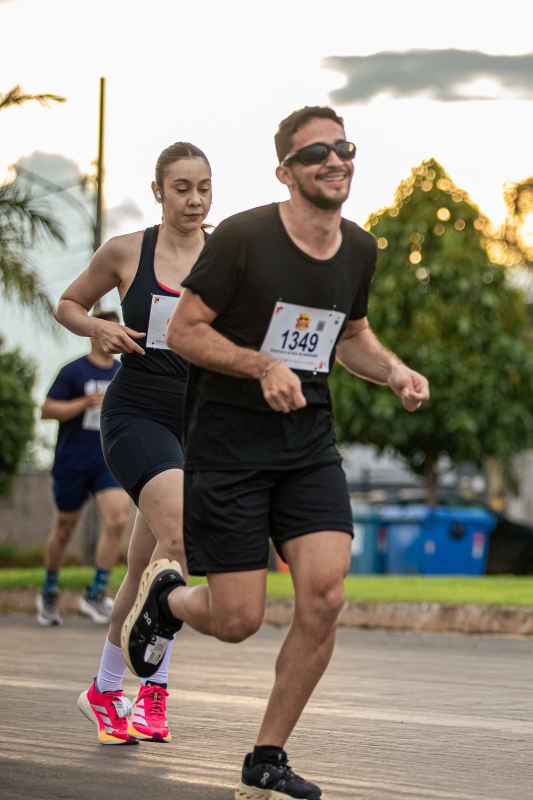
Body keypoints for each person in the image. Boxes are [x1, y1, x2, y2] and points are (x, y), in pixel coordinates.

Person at [119, 106, 429, 800]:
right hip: (228, 448)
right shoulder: (242, 238)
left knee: (325, 597)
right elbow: (186, 331)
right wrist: (261, 365)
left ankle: (266, 756)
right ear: (286, 172)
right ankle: (169, 600)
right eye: (315, 152)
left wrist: (394, 370)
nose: (334, 160)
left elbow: (351, 336)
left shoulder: (359, 248)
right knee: (238, 621)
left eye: (343, 147)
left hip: (307, 446)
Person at [55, 142, 212, 744]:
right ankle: (153, 691)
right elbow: (68, 304)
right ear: (158, 191)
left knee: (145, 567)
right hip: (137, 414)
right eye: (182, 188)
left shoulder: (226, 254)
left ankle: (103, 689)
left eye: (203, 187)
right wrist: (98, 326)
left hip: (196, 423)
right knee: (181, 540)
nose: (194, 199)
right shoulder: (127, 251)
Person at [37, 313, 128, 628]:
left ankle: (96, 593)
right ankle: (49, 591)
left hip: (108, 461)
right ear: (94, 333)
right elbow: (47, 410)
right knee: (64, 528)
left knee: (118, 519)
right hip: (73, 461)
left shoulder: (123, 372)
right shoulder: (73, 371)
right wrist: (84, 403)